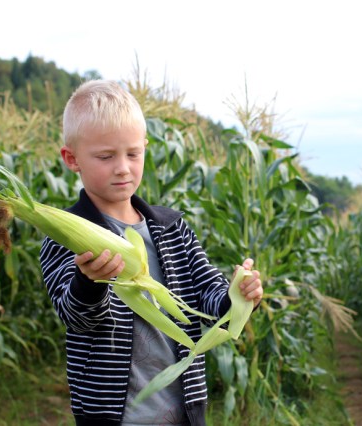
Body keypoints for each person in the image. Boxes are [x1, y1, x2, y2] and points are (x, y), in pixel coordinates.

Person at [40, 80, 263, 426]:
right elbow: (76, 316)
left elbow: (208, 297)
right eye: (106, 156)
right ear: (72, 159)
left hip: (184, 411)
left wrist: (238, 295)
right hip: (111, 416)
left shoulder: (173, 228)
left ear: (145, 147)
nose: (123, 167)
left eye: (133, 154)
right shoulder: (65, 236)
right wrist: (90, 281)